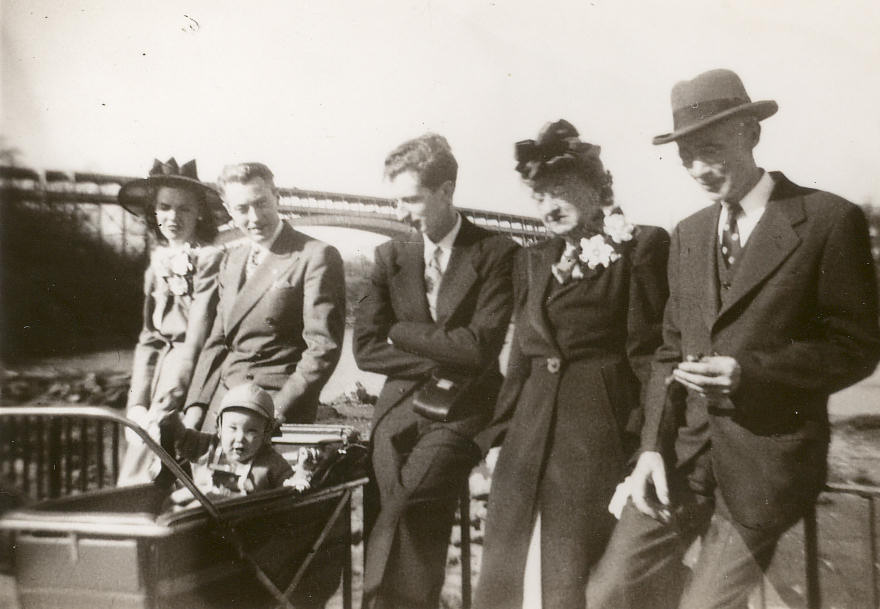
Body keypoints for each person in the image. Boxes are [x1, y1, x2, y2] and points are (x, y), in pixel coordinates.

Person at [586, 69, 880, 609]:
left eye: (711, 150)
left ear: (751, 133)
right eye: (686, 157)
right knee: (608, 593)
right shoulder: (689, 233)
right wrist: (650, 450)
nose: (698, 169)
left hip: (766, 465)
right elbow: (668, 353)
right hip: (682, 460)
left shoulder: (828, 220)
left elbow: (857, 347)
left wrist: (753, 373)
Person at [473, 120, 670, 609]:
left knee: (571, 573)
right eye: (539, 195)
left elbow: (649, 357)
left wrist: (648, 443)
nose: (548, 205)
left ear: (596, 187)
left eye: (559, 190)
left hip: (595, 436)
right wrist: (498, 437)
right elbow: (520, 355)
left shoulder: (641, 246)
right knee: (508, 571)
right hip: (527, 438)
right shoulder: (533, 259)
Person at [353, 133, 518, 609]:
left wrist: (402, 333)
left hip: (464, 409)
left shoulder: (496, 253)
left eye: (412, 200)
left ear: (446, 191)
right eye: (396, 200)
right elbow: (364, 348)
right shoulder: (389, 258)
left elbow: (481, 349)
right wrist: (444, 353)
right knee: (386, 502)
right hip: (399, 408)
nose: (401, 213)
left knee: (408, 503)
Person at [183, 162, 346, 432]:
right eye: (242, 209)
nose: (255, 217)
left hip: (274, 409)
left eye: (261, 203)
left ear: (277, 196)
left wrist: (275, 411)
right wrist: (195, 406)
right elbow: (217, 342)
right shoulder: (231, 262)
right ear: (228, 209)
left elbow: (323, 347)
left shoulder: (315, 255)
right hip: (222, 403)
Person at [116, 157, 227, 486]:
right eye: (164, 207)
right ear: (154, 211)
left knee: (163, 452)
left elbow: (197, 333)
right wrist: (137, 400)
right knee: (141, 440)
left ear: (200, 213)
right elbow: (148, 337)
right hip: (159, 371)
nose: (173, 217)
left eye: (184, 209)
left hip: (191, 373)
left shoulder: (209, 259)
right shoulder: (157, 261)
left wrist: (169, 399)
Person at [165, 382, 296, 505]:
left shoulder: (270, 461)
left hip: (241, 520)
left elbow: (289, 484)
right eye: (233, 428)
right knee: (172, 502)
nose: (239, 438)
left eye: (251, 431)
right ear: (220, 428)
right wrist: (171, 418)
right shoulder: (208, 446)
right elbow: (182, 439)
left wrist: (301, 475)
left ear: (265, 433)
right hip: (201, 509)